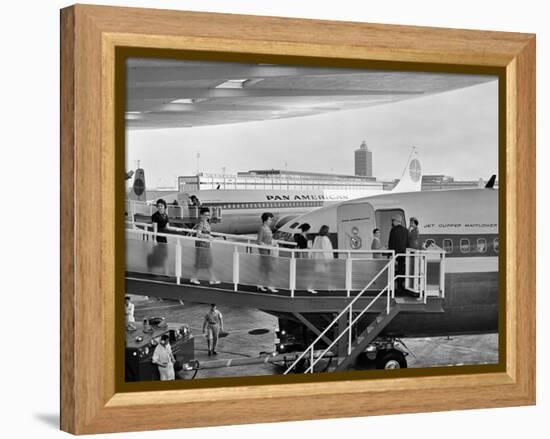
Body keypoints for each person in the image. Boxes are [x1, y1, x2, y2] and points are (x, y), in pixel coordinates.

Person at [190, 207, 220, 285]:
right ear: (201, 215)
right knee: (203, 262)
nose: (207, 216)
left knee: (205, 262)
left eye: (208, 215)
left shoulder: (207, 222)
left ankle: (209, 278)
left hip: (206, 244)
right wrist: (207, 236)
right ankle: (211, 279)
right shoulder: (201, 223)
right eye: (205, 215)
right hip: (201, 244)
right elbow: (198, 234)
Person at [309, 225, 334, 294]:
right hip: (323, 260)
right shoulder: (325, 239)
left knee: (325, 274)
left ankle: (329, 287)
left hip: (318, 259)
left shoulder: (317, 238)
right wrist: (328, 260)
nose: (330, 231)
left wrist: (313, 257)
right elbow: (326, 251)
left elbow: (314, 248)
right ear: (326, 231)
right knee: (318, 274)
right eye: (328, 230)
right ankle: (310, 287)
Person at [256, 212, 278, 293]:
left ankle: (260, 285)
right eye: (270, 219)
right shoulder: (262, 228)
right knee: (269, 269)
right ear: (265, 220)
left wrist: (273, 243)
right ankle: (270, 286)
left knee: (264, 269)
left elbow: (268, 240)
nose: (271, 221)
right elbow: (259, 241)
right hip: (264, 251)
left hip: (268, 250)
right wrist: (268, 245)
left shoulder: (268, 228)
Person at [388, 215, 409, 295]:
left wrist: (390, 253)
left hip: (395, 254)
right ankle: (400, 287)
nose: (392, 222)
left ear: (396, 221)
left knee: (393, 271)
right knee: (401, 270)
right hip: (403, 254)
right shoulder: (405, 230)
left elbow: (391, 243)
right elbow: (407, 243)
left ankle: (393, 288)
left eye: (393, 221)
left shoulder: (393, 230)